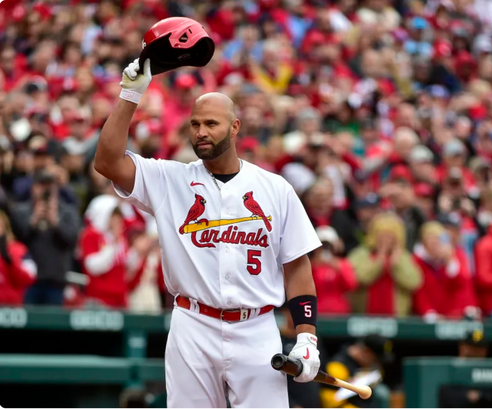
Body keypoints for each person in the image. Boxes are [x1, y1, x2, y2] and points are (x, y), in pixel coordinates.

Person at [94, 58, 322, 408]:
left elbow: (296, 264)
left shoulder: (275, 188)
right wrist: (130, 93)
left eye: (211, 124)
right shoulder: (170, 179)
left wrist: (306, 337)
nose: (200, 131)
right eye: (195, 123)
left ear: (234, 128)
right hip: (192, 323)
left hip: (257, 326)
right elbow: (107, 162)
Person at [11, 171, 81, 306]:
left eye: (49, 186)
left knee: (53, 324)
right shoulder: (20, 211)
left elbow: (71, 240)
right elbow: (16, 242)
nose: (45, 190)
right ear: (33, 188)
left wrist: (55, 222)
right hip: (28, 281)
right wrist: (33, 220)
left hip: (56, 282)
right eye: (41, 185)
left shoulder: (68, 212)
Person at [439, 331, 492, 408]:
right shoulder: (451, 368)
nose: (475, 352)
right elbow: (444, 395)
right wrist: (465, 395)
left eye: (479, 348)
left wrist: (481, 395)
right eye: (472, 348)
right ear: (462, 347)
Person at [320, 334, 393, 408]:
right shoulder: (337, 366)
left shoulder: (364, 367)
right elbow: (331, 401)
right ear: (367, 353)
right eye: (375, 360)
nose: (375, 364)